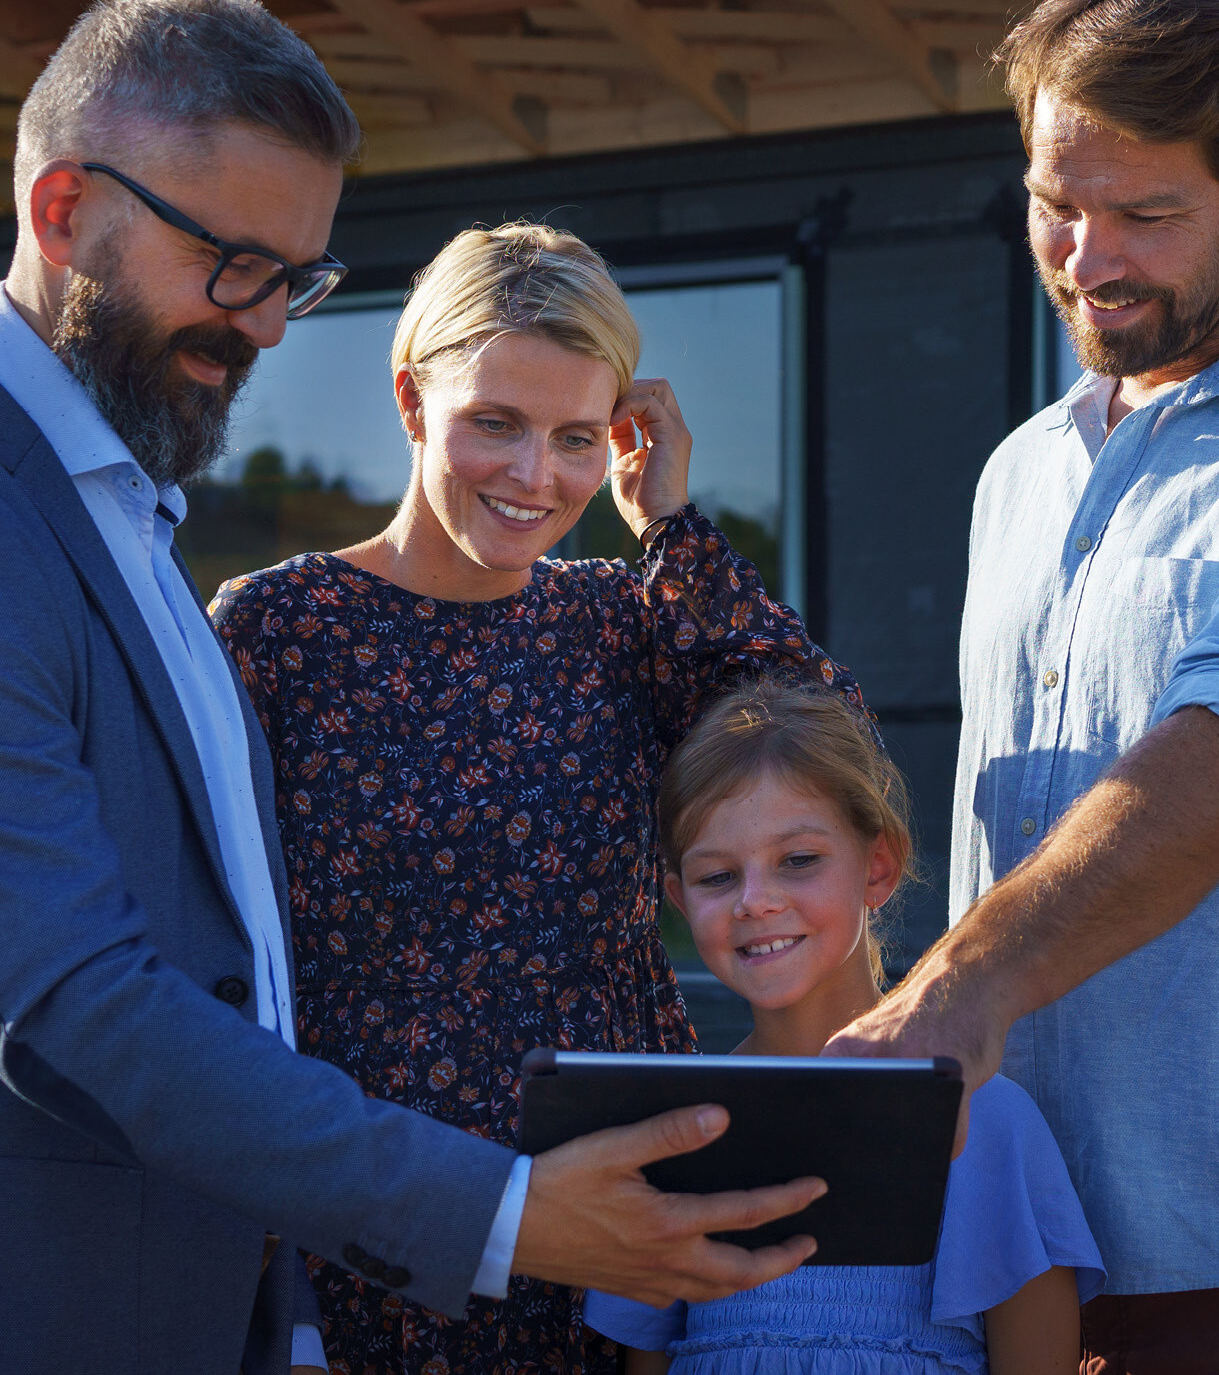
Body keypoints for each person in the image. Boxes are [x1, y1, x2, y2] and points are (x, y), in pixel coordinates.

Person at [0, 0, 832, 1375]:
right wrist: (490, 1213)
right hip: (364, 1256)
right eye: (237, 266)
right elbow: (85, 991)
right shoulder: (254, 614)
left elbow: (821, 767)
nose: (269, 328)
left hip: (590, 1260)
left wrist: (677, 533)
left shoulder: (129, 509)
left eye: (298, 280)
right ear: (64, 211)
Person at [210, 222, 871, 1375]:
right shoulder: (276, 626)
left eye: (577, 437)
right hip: (376, 1217)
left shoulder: (620, 617)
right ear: (414, 400)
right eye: (496, 424)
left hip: (616, 1217)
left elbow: (820, 746)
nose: (535, 479)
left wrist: (668, 524)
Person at [827, 0, 1219, 1373]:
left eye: (1147, 212)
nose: (1089, 254)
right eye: (1057, 205)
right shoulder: (1019, 471)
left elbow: (1216, 759)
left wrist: (956, 992)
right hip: (1008, 1250)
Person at [585, 677, 1104, 1374]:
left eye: (798, 861)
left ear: (878, 865)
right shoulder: (673, 1130)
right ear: (678, 899)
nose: (756, 902)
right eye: (717, 877)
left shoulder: (984, 1121)